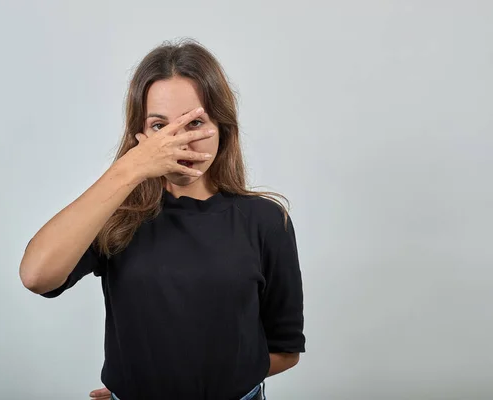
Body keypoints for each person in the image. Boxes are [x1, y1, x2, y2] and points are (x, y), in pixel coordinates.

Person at [19, 39, 305, 400]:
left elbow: (285, 348)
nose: (178, 143)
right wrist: (130, 169)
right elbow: (36, 275)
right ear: (140, 135)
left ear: (222, 127)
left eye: (196, 123)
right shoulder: (118, 217)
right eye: (159, 127)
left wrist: (181, 384)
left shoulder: (264, 220)